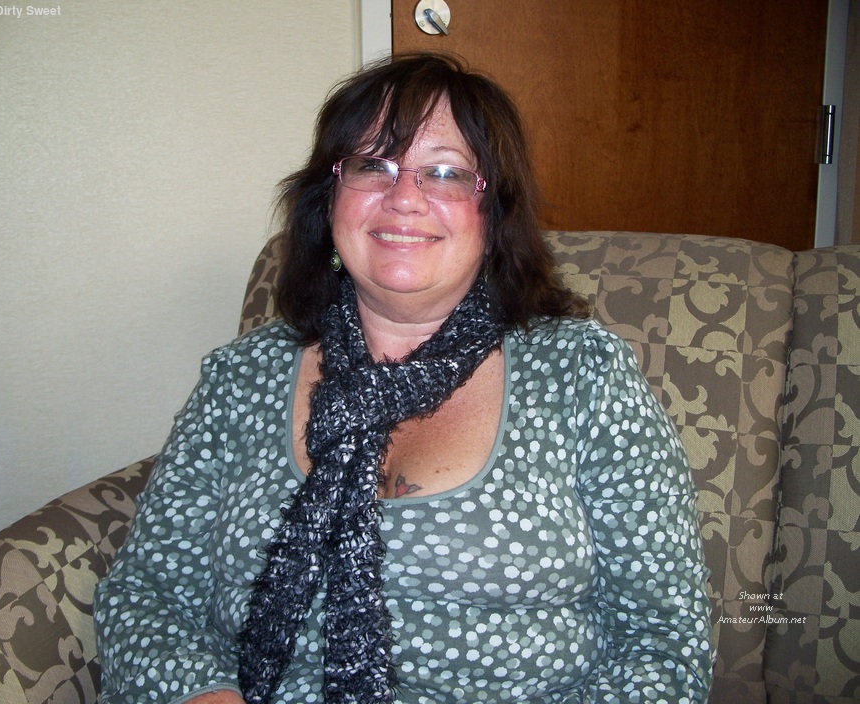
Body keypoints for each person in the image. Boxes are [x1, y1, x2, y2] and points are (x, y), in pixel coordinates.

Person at [94, 53, 713, 703]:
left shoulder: (583, 374)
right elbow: (147, 594)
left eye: (445, 172)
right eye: (372, 165)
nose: (404, 198)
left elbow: (663, 641)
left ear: (494, 213)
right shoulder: (242, 377)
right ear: (329, 197)